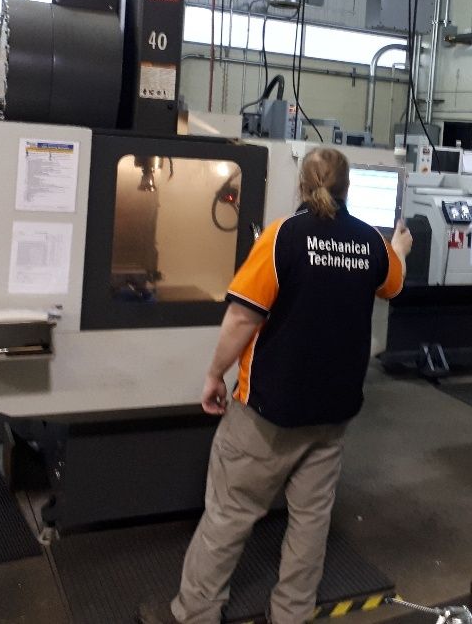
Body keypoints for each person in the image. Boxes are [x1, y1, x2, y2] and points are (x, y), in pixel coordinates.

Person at [139, 148, 412, 623]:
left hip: (266, 413)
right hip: (332, 414)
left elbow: (243, 316)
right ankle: (291, 613)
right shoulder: (370, 243)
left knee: (230, 512)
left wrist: (213, 375)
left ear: (302, 186)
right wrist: (401, 249)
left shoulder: (281, 237)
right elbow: (394, 282)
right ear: (347, 188)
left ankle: (197, 612)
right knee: (310, 521)